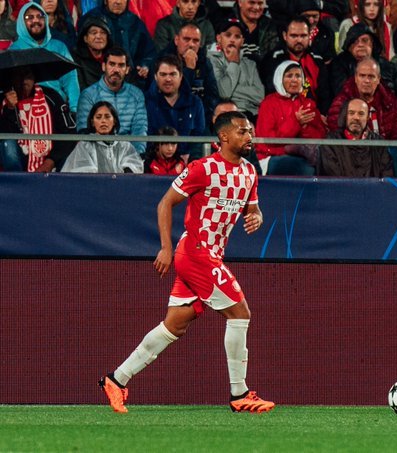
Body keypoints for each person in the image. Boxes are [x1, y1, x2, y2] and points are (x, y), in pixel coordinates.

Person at [98, 110, 275, 414]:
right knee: (240, 313)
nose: (249, 137)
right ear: (224, 137)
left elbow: (253, 209)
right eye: (243, 132)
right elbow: (165, 202)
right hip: (195, 252)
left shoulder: (249, 172)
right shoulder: (202, 168)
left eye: (249, 131)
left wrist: (256, 217)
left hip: (211, 254)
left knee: (174, 326)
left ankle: (116, 379)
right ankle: (239, 394)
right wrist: (165, 248)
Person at [256, 61, 326, 175]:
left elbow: (319, 136)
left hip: (301, 155)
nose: (294, 80)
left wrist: (304, 127)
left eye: (298, 76)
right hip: (270, 156)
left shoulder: (308, 103)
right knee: (304, 168)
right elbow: (268, 140)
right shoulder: (268, 103)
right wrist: (296, 123)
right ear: (280, 78)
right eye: (289, 75)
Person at [0, 65, 76, 172]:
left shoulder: (51, 97)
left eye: (27, 75)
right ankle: (16, 183)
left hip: (51, 159)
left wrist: (50, 161)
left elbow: (68, 133)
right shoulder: (3, 101)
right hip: (17, 161)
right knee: (8, 145)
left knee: (71, 153)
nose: (24, 80)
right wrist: (10, 109)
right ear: (11, 79)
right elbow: (4, 137)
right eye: (19, 76)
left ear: (34, 78)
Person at [77, 46, 148, 154]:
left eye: (121, 65)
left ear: (127, 69)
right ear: (104, 66)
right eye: (112, 64)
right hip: (97, 155)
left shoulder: (137, 95)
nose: (116, 70)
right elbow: (84, 132)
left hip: (128, 155)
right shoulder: (88, 95)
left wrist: (134, 158)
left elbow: (139, 131)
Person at [10, 2, 80, 112]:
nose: (36, 20)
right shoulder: (15, 50)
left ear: (46, 20)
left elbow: (70, 79)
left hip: (57, 106)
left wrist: (74, 108)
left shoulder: (59, 46)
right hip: (26, 108)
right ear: (21, 22)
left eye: (40, 16)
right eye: (29, 17)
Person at [258, 16, 331, 114]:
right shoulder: (273, 59)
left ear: (309, 35)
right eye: (294, 36)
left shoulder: (317, 59)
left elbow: (325, 94)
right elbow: (273, 93)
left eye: (303, 36)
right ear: (285, 36)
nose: (299, 40)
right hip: (284, 115)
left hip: (314, 114)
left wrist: (321, 114)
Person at [80, 0, 157, 88]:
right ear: (105, 1)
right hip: (95, 78)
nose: (118, 2)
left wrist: (145, 66)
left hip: (131, 80)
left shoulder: (135, 22)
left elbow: (149, 53)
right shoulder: (92, 18)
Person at [145, 54, 206, 161]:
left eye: (173, 74)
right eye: (163, 74)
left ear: (181, 76)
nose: (168, 79)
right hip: (155, 166)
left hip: (189, 166)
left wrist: (191, 160)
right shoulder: (146, 102)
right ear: (155, 77)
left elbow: (199, 136)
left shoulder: (195, 103)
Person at [327, 57, 397, 140]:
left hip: (384, 151)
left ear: (378, 79)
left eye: (371, 76)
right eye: (362, 76)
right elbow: (336, 134)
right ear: (356, 78)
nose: (366, 80)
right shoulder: (341, 102)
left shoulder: (391, 102)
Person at [61, 101, 143, 173]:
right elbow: (83, 174)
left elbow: (134, 165)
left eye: (107, 117)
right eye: (98, 117)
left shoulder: (124, 145)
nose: (103, 121)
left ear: (114, 121)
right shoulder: (85, 145)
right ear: (92, 122)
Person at [318, 98, 393, 176]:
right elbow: (332, 180)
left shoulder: (379, 144)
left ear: (367, 118)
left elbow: (386, 177)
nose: (356, 117)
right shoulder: (330, 143)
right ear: (345, 116)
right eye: (351, 113)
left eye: (361, 114)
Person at [329, 22, 397, 99]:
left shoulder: (387, 66)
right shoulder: (339, 64)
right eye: (355, 42)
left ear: (372, 44)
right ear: (349, 46)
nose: (360, 45)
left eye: (365, 40)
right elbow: (342, 94)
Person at [208, 20, 264, 122]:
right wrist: (234, 63)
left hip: (250, 115)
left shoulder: (251, 64)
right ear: (219, 38)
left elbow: (260, 96)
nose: (232, 40)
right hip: (224, 116)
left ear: (242, 41)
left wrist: (230, 90)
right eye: (228, 35)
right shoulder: (211, 61)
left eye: (237, 37)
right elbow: (224, 93)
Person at [161, 23, 220, 120]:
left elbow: (212, 95)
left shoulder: (204, 62)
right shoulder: (163, 61)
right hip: (171, 115)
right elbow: (173, 96)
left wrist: (202, 114)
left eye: (195, 41)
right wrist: (189, 69)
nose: (191, 45)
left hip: (200, 115)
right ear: (176, 40)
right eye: (186, 39)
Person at [221, 0, 279, 65]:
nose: (257, 7)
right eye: (252, 2)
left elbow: (271, 57)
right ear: (240, 2)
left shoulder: (269, 25)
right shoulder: (226, 24)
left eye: (260, 3)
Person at [71, 15, 111, 89]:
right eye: (94, 33)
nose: (99, 36)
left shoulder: (114, 56)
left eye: (103, 33)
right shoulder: (75, 58)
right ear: (85, 38)